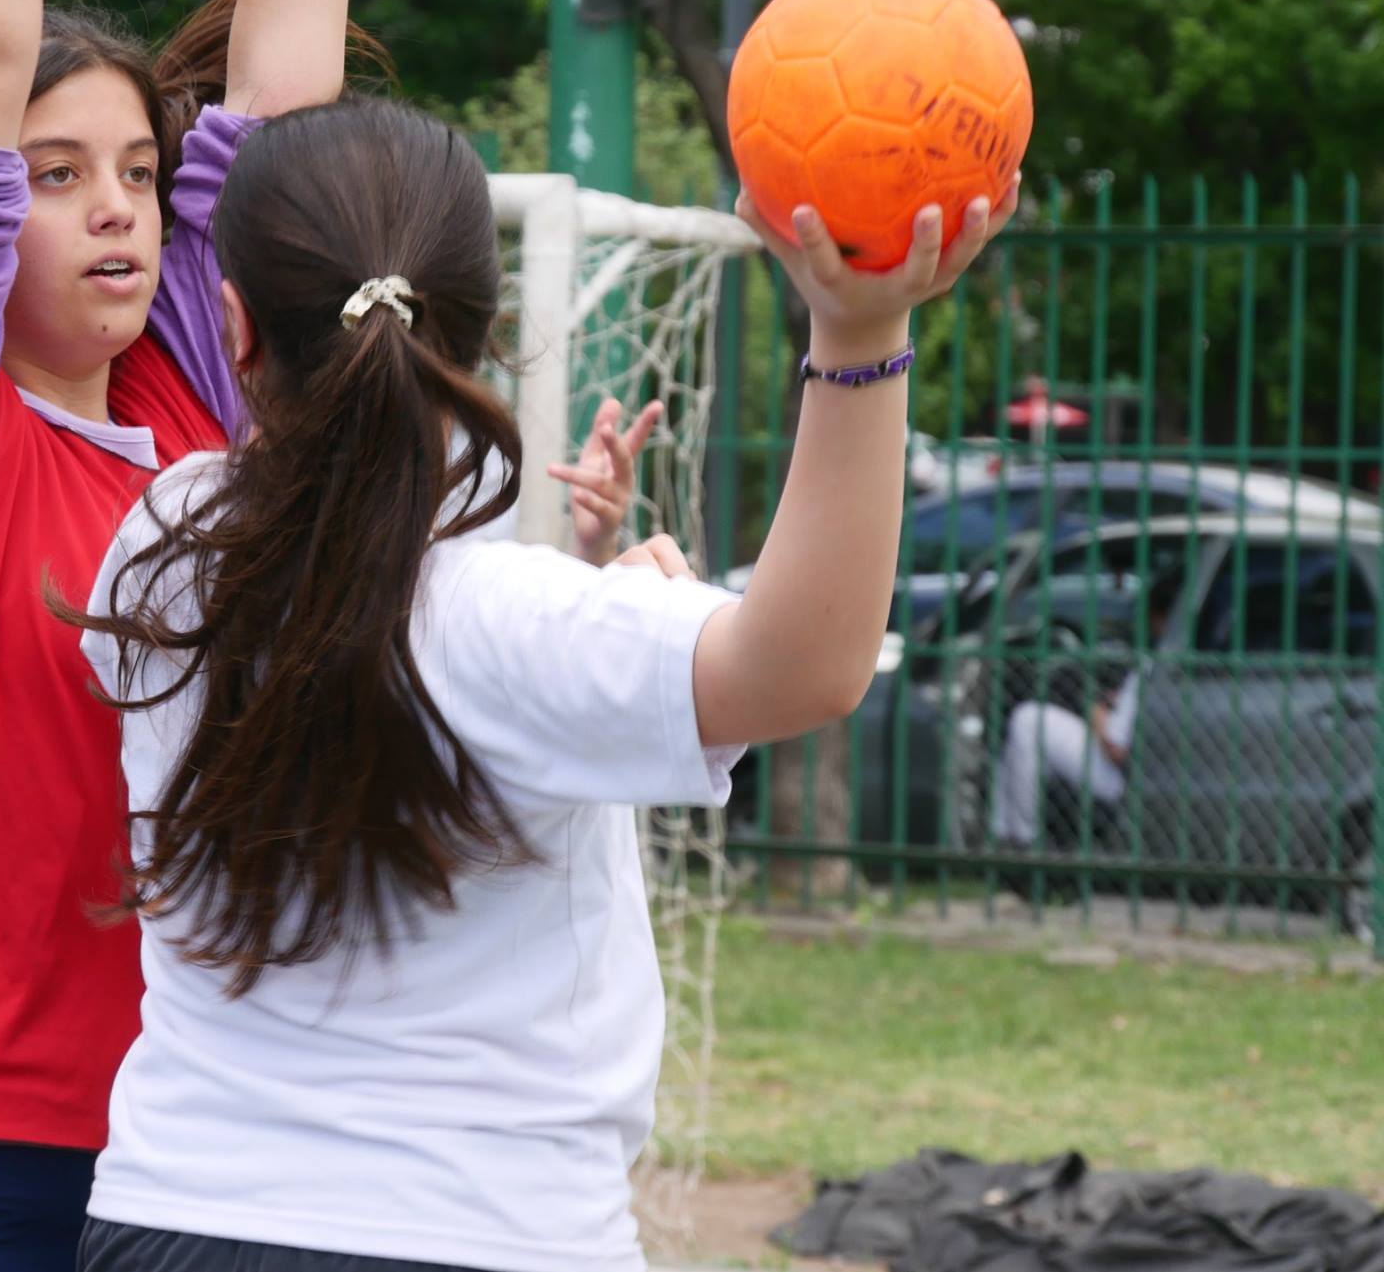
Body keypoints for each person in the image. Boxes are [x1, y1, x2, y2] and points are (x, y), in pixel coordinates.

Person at [0, 0, 643, 1268]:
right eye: (53, 175)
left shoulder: (198, 409)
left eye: (138, 170)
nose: (115, 207)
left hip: (199, 1151)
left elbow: (282, 99)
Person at [74, 101, 1019, 1272]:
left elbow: (358, 641)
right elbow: (808, 667)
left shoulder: (161, 545)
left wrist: (595, 620)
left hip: (172, 1214)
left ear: (232, 326)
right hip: (481, 1231)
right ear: (487, 329)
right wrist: (859, 330)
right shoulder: (517, 628)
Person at [992, 582, 1177, 853]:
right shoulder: (1168, 663)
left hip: (1119, 777)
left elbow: (1116, 749)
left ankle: (1023, 839)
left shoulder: (1155, 665)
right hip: (1137, 770)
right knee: (1021, 743)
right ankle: (1002, 833)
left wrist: (1097, 712)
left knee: (1027, 720)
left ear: (1160, 618)